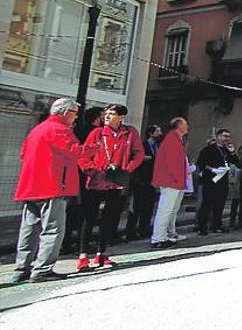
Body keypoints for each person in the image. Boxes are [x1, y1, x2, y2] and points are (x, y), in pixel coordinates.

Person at [12, 98, 94, 283]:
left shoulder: (37, 129)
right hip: (53, 185)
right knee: (52, 229)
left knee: (29, 229)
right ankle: (42, 269)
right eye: (74, 112)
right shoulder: (60, 129)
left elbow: (23, 154)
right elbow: (76, 150)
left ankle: (21, 268)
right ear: (66, 113)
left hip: (32, 186)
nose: (76, 117)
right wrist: (95, 148)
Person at [76, 104, 144, 271]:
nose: (106, 116)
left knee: (110, 218)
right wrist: (90, 169)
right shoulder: (98, 133)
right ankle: (83, 255)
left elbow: (139, 153)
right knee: (89, 218)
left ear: (121, 117)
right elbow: (83, 154)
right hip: (97, 180)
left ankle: (101, 252)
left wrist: (127, 169)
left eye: (111, 113)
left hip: (116, 181)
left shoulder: (130, 133)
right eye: (106, 113)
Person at [62, 106, 104, 254]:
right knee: (87, 211)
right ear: (98, 118)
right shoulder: (96, 133)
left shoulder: (77, 131)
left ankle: (66, 242)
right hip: (87, 174)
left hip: (73, 174)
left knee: (71, 210)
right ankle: (82, 243)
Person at [151, 117, 192, 248]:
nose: (187, 127)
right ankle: (158, 238)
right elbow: (172, 162)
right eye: (185, 124)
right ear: (179, 126)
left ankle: (166, 234)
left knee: (171, 209)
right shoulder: (172, 140)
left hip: (176, 180)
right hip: (171, 180)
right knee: (165, 209)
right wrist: (177, 177)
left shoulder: (175, 139)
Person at [196, 129, 238, 235]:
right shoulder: (208, 149)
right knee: (207, 204)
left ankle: (217, 225)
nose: (226, 139)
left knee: (220, 204)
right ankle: (202, 227)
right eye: (224, 136)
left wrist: (233, 152)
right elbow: (201, 163)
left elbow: (236, 162)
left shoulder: (226, 150)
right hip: (210, 180)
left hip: (223, 180)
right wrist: (212, 169)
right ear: (218, 137)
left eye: (228, 136)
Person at [126, 124, 161, 240]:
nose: (159, 133)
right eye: (157, 131)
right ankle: (130, 231)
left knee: (149, 206)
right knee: (137, 206)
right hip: (140, 179)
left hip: (152, 180)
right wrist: (143, 158)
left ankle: (144, 229)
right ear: (151, 133)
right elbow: (133, 158)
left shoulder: (157, 146)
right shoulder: (142, 145)